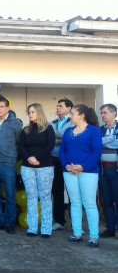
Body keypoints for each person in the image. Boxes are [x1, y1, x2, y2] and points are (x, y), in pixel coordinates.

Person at [60, 104, 102, 247]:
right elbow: (62, 150)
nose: (70, 116)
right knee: (75, 203)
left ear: (81, 115)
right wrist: (66, 165)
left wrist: (82, 166)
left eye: (72, 114)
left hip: (88, 172)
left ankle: (93, 236)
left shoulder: (94, 131)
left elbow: (96, 152)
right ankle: (77, 233)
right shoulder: (68, 132)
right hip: (69, 171)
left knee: (89, 204)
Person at [0, 95, 22, 234]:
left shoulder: (15, 123)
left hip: (8, 163)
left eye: (2, 106)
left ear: (8, 108)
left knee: (10, 194)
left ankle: (9, 223)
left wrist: (12, 156)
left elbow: (20, 143)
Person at [19, 103, 55, 238]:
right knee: (31, 197)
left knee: (45, 197)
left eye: (33, 112)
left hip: (44, 166)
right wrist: (30, 158)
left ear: (39, 112)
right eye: (29, 112)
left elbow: (50, 146)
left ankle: (46, 229)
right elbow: (21, 147)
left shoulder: (48, 129)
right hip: (27, 167)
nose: (30, 114)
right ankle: (32, 227)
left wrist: (37, 157)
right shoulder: (25, 130)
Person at [50, 98, 73, 231]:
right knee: (57, 191)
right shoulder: (52, 122)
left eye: (60, 106)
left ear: (69, 108)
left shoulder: (73, 122)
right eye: (57, 106)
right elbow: (48, 137)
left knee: (72, 193)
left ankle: (76, 223)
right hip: (54, 160)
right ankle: (59, 221)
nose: (57, 108)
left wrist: (59, 138)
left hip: (69, 162)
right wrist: (59, 139)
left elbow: (69, 138)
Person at [99, 104, 118, 238]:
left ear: (114, 113)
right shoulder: (99, 130)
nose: (103, 115)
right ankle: (111, 228)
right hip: (103, 171)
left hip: (116, 171)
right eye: (101, 113)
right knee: (107, 200)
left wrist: (104, 142)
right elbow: (96, 144)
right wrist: (113, 140)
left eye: (105, 113)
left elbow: (101, 143)